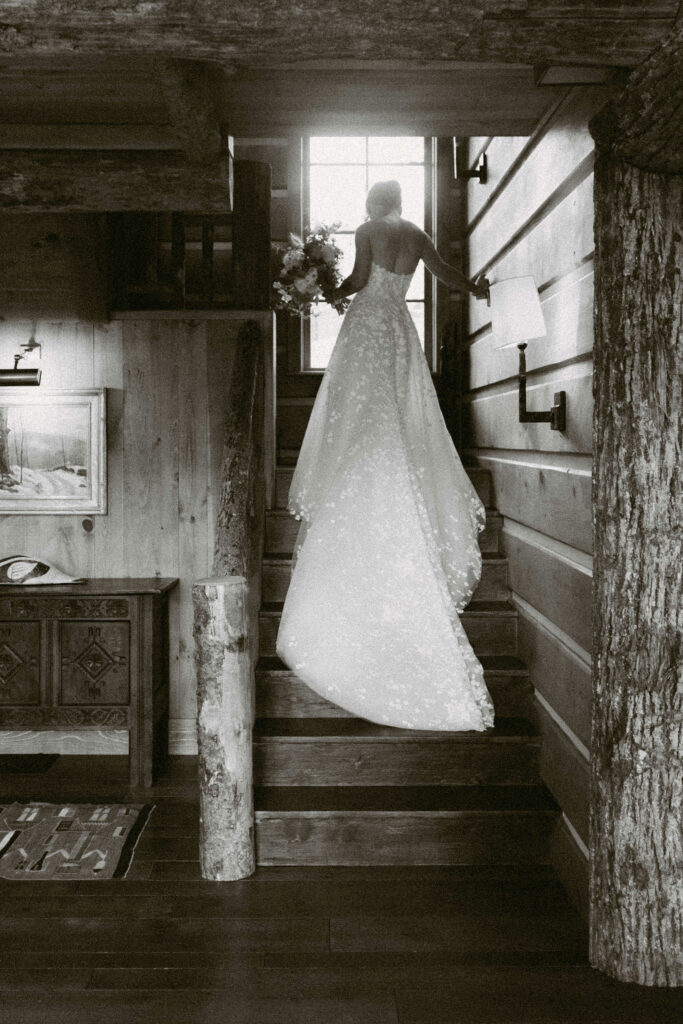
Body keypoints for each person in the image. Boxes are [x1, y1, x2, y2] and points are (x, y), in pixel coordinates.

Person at [276, 180, 495, 731]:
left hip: (369, 320)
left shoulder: (370, 229)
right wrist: (476, 287)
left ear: (372, 203)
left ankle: (367, 458)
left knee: (359, 402)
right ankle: (387, 454)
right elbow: (445, 276)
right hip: (399, 324)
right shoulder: (417, 233)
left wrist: (324, 289)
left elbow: (357, 278)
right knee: (393, 400)